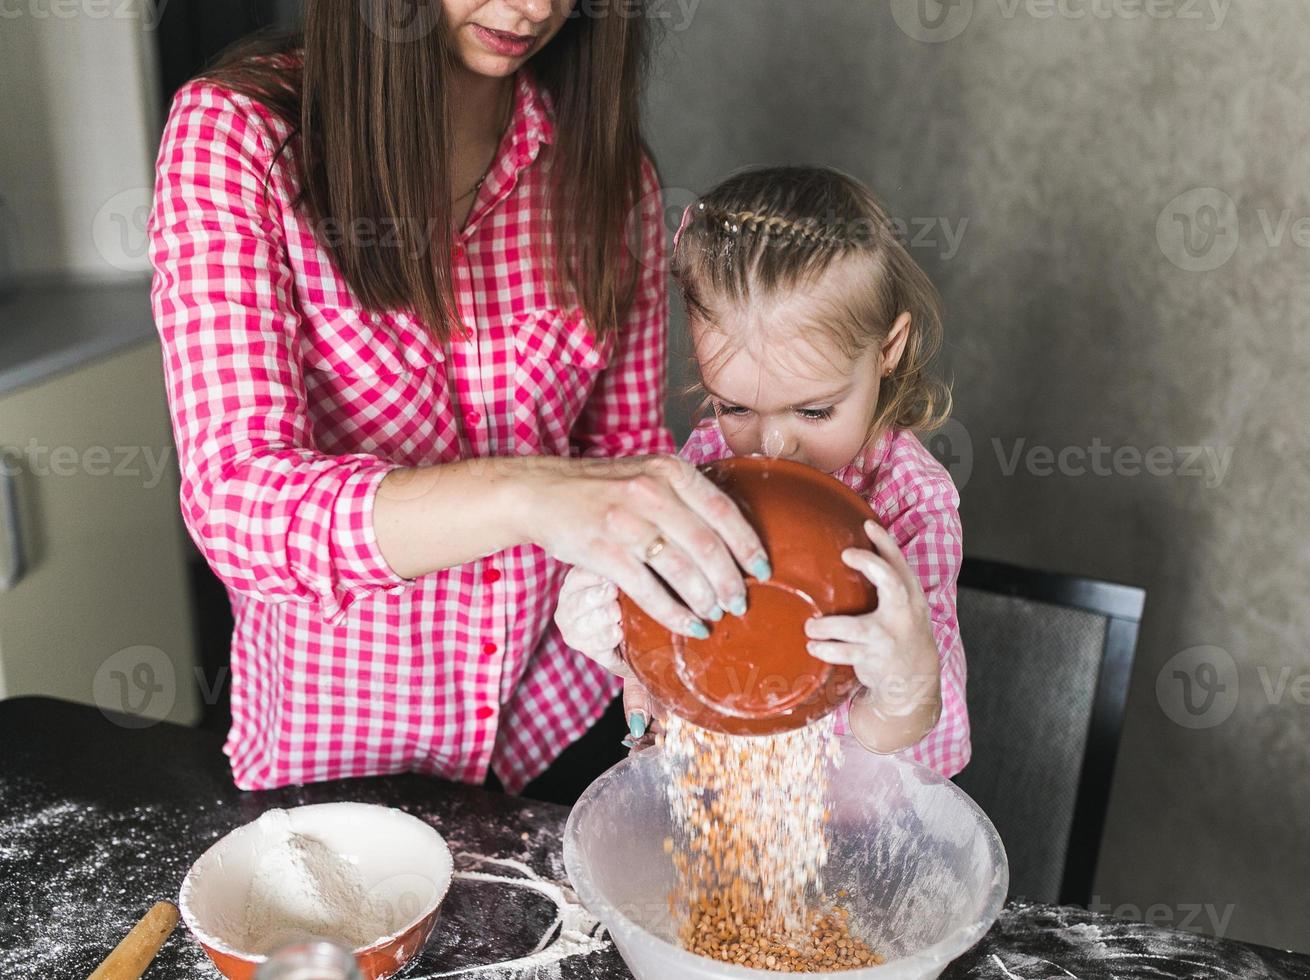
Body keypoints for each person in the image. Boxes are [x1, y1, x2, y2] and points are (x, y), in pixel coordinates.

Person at [146, 0, 770, 803]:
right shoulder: (241, 136)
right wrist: (520, 493)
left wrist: (653, 645)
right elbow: (239, 502)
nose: (534, 8)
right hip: (345, 749)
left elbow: (621, 451)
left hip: (560, 713)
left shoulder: (609, 172)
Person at [556, 166, 970, 774]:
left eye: (813, 409)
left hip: (847, 817)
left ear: (887, 350)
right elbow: (671, 653)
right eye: (736, 407)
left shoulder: (912, 506)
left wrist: (904, 682)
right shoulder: (705, 465)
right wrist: (615, 633)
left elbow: (914, 743)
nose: (773, 447)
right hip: (711, 795)